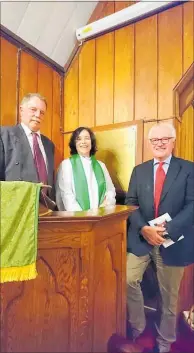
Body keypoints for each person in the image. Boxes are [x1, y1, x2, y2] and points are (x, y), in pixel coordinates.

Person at [125, 122, 194, 353]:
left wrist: (169, 229)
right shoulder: (139, 170)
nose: (160, 143)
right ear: (149, 143)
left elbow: (193, 204)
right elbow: (131, 204)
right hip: (143, 239)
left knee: (169, 298)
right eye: (155, 140)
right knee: (128, 279)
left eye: (165, 139)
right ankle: (139, 328)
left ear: (173, 141)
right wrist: (145, 229)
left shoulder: (188, 168)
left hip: (173, 242)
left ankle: (165, 342)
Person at [0, 93, 55, 200]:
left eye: (42, 112)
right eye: (33, 109)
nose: (38, 115)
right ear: (21, 110)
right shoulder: (4, 135)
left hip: (46, 210)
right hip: (17, 208)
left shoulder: (49, 145)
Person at [56, 127, 116, 211]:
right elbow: (66, 195)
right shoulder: (66, 165)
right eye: (79, 139)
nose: (83, 142)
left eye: (87, 138)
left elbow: (110, 190)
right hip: (77, 219)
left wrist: (104, 206)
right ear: (74, 143)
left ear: (92, 142)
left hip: (100, 216)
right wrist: (85, 217)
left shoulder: (101, 165)